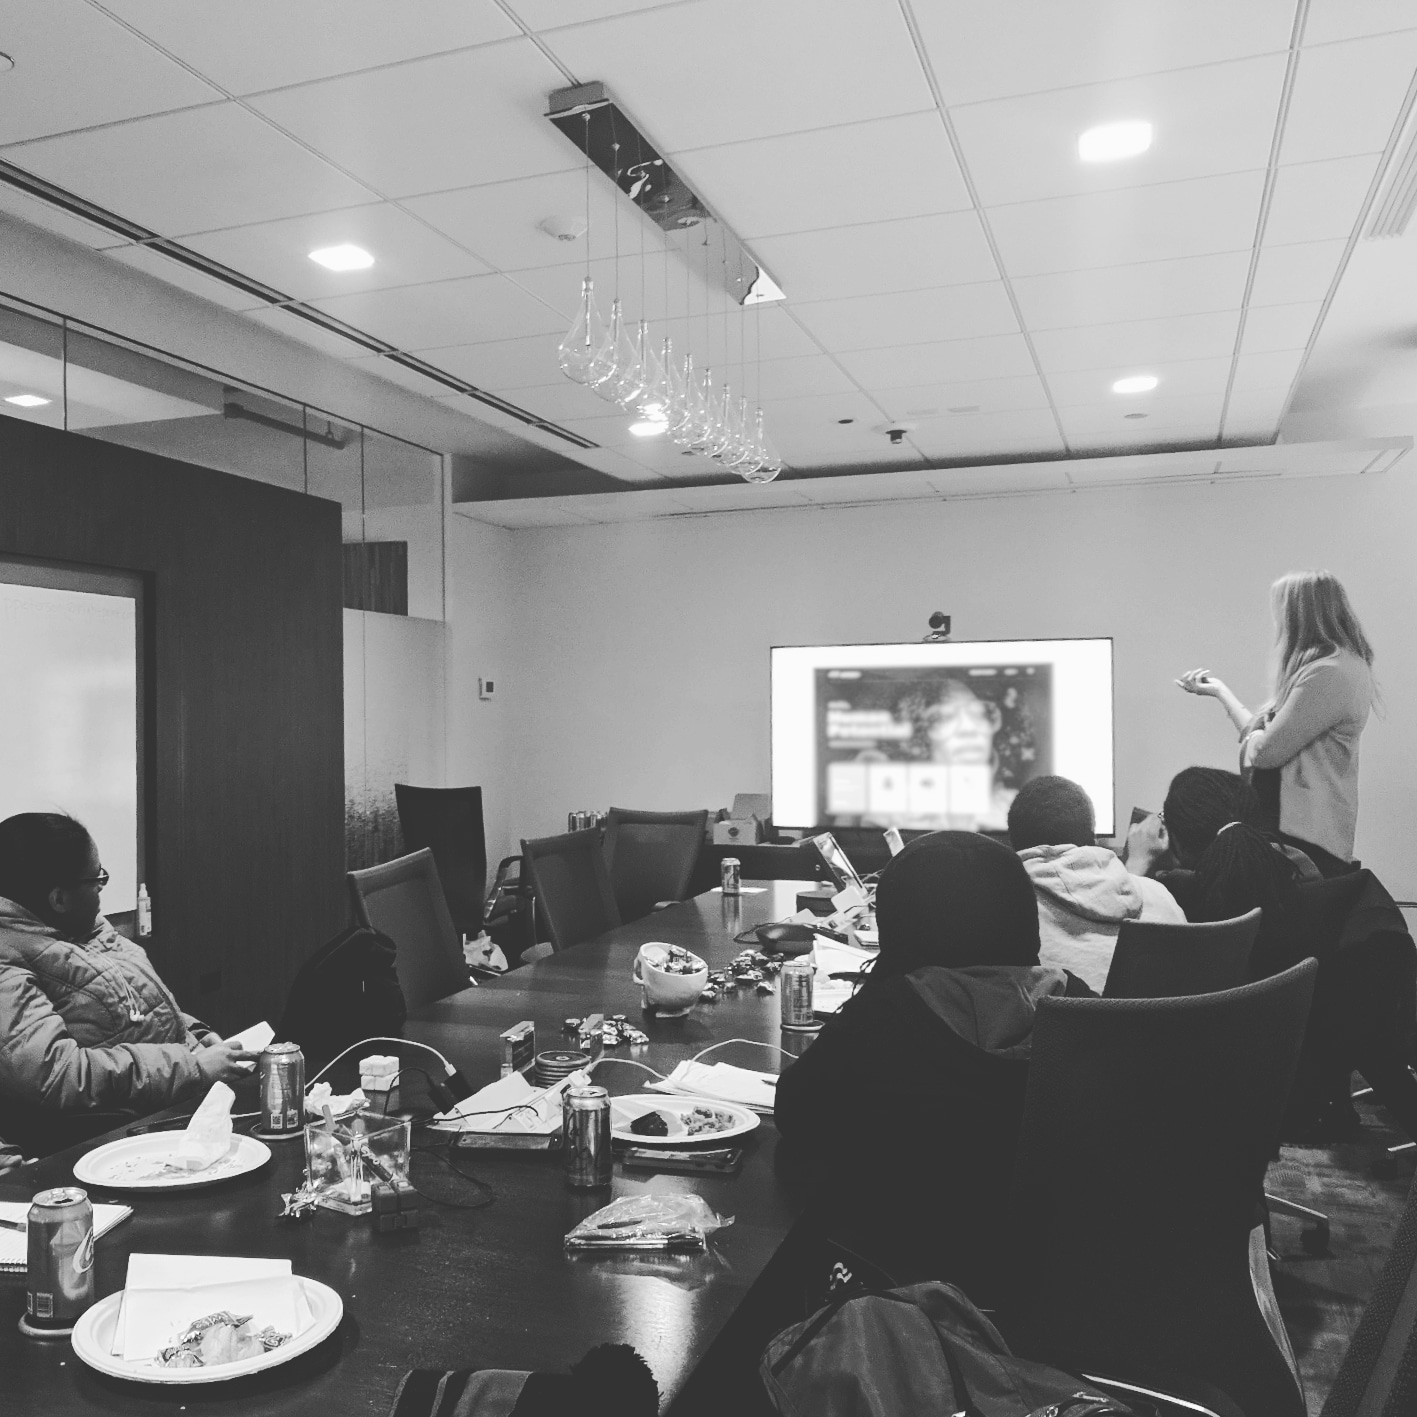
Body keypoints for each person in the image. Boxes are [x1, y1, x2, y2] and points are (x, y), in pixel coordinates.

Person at [774, 831, 1092, 1303]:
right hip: (1064, 1291)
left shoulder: (886, 1015)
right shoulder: (1080, 1006)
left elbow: (797, 1112)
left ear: (899, 926)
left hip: (908, 1303)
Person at [1130, 769, 1417, 1142]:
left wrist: (1137, 866)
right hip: (1309, 1086)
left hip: (1220, 1105)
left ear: (1179, 841)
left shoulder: (1172, 899)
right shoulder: (1301, 872)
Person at [0, 813, 256, 1152]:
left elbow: (137, 1009)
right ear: (59, 899)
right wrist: (191, 1067)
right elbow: (56, 1075)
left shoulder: (82, 927)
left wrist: (196, 1034)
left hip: (175, 1099)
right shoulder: (9, 959)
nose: (101, 889)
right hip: (118, 1136)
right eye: (96, 879)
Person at [1177, 569, 1375, 874]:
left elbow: (1265, 752)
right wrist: (1220, 692)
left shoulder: (1328, 673)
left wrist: (1256, 739)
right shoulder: (1330, 668)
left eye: (1281, 612)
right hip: (1302, 834)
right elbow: (1265, 739)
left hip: (1304, 839)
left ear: (1300, 614)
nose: (1277, 623)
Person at [1008, 775, 1185, 992]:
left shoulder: (1002, 915)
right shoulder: (1162, 896)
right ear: (1093, 838)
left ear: (1014, 847)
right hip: (1162, 1015)